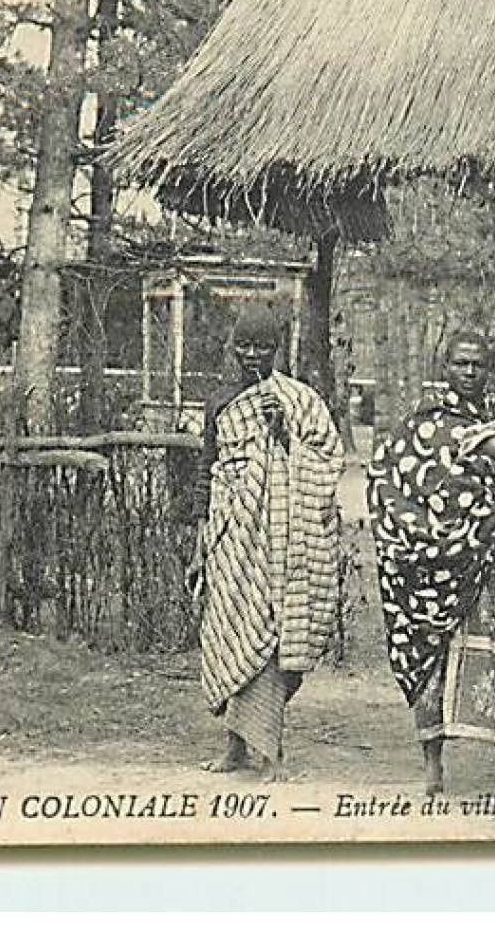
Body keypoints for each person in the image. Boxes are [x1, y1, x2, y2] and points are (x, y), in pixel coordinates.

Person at [367, 331, 495, 799]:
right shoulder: (423, 425)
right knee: (432, 658)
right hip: (438, 570)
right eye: (460, 364)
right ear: (446, 367)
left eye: (477, 365)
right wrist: (453, 504)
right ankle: (432, 769)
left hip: (494, 565)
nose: (469, 373)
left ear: (487, 369)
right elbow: (391, 483)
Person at [186, 301, 344, 780]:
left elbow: (326, 456)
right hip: (233, 535)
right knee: (231, 634)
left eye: (264, 347)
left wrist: (284, 430)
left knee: (273, 639)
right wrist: (200, 535)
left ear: (278, 350)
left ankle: (270, 752)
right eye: (245, 346)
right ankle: (235, 748)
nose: (253, 355)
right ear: (232, 348)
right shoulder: (218, 402)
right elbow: (207, 471)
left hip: (285, 537)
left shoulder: (298, 400)